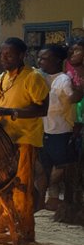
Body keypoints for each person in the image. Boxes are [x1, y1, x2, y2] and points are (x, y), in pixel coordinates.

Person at [0, 37, 49, 245]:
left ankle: (24, 231)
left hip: (25, 139)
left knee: (21, 187)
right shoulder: (0, 79)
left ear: (21, 55)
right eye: (1, 55)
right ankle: (5, 228)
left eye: (9, 55)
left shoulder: (33, 77)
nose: (3, 58)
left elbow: (42, 109)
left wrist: (7, 111)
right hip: (3, 139)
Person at [36, 44, 82, 211]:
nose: (40, 61)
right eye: (39, 57)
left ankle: (51, 196)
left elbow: (72, 98)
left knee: (62, 166)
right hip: (45, 130)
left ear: (56, 60)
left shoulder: (63, 80)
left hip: (61, 130)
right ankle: (48, 199)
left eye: (44, 58)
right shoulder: (40, 77)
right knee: (46, 166)